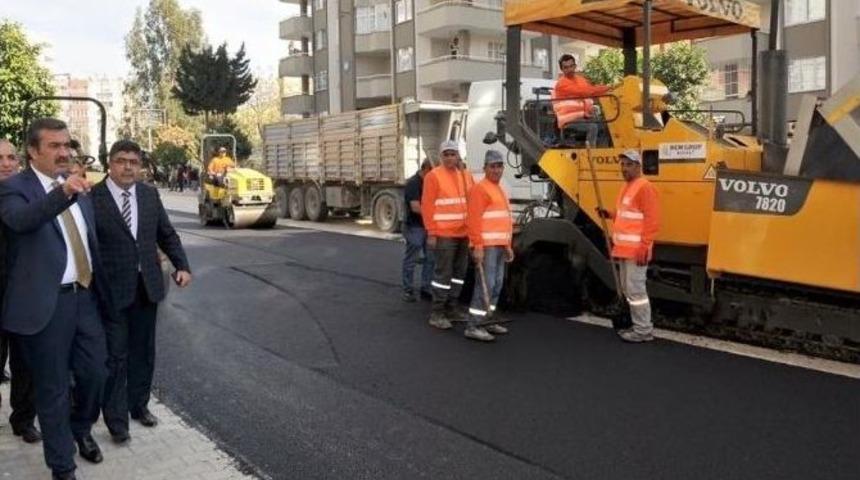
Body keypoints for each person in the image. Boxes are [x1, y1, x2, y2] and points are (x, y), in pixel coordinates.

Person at [0, 118, 113, 480]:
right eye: (54, 146)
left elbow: (93, 238)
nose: (64, 152)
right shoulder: (14, 188)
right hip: (45, 306)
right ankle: (62, 466)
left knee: (96, 374)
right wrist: (63, 194)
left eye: (67, 145)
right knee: (52, 390)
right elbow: (22, 221)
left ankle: (80, 429)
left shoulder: (77, 186)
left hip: (84, 299)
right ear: (32, 151)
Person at [92, 140, 191, 443]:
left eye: (134, 162)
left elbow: (166, 233)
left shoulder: (149, 195)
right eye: (122, 161)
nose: (128, 167)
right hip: (111, 291)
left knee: (144, 352)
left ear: (140, 165)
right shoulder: (92, 198)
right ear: (110, 163)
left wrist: (181, 265)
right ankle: (116, 421)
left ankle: (139, 406)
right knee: (115, 356)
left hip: (147, 287)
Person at [596, 149, 660, 343]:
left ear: (638, 166)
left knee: (636, 291)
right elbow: (627, 214)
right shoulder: (628, 187)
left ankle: (643, 330)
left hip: (636, 250)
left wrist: (644, 245)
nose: (624, 168)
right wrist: (610, 214)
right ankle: (638, 326)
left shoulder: (644, 187)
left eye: (629, 164)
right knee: (628, 290)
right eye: (622, 164)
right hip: (625, 249)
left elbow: (652, 220)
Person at [0, 140, 40, 444]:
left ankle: (23, 419)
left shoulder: (29, 196)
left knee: (25, 363)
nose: (6, 163)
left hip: (23, 294)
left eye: (12, 157)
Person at [421, 140, 474, 330]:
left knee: (459, 274)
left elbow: (472, 203)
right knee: (443, 274)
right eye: (447, 154)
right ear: (441, 156)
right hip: (444, 234)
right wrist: (432, 233)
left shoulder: (466, 176)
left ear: (458, 156)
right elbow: (427, 206)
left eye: (453, 154)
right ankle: (437, 312)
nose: (450, 157)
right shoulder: (433, 177)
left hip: (464, 233)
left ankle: (452, 306)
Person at [464, 150, 514, 342]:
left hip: (499, 246)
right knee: (486, 284)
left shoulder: (498, 188)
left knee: (497, 285)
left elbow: (504, 220)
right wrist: (477, 246)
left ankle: (487, 319)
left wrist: (508, 244)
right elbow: (474, 220)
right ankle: (474, 325)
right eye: (492, 166)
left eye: (499, 166)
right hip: (486, 246)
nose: (496, 170)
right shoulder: (480, 189)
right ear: (485, 168)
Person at [552, 54, 610, 144]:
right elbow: (586, 92)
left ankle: (602, 152)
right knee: (593, 127)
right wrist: (607, 88)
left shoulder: (581, 80)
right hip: (568, 120)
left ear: (575, 66)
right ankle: (591, 154)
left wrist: (609, 90)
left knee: (606, 126)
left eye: (571, 66)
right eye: (566, 67)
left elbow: (591, 90)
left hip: (582, 117)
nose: (569, 69)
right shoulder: (562, 84)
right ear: (562, 69)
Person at [401, 159, 434, 303]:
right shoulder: (413, 183)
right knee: (412, 258)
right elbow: (415, 207)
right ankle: (408, 289)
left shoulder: (430, 182)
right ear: (425, 169)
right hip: (415, 226)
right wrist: (434, 215)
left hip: (428, 226)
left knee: (431, 258)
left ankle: (426, 288)